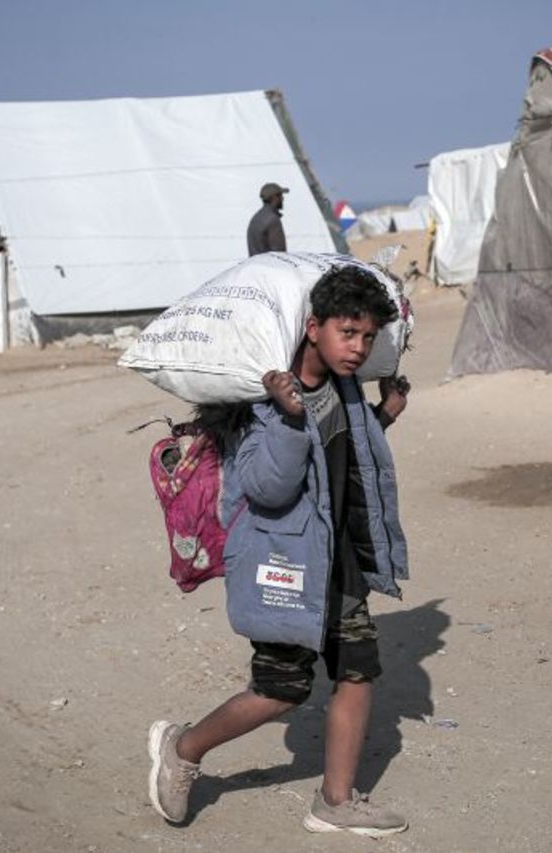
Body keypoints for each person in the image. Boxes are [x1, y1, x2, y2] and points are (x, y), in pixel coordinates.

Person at [148, 265, 412, 837]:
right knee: (282, 688)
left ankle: (335, 801)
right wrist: (291, 419)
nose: (358, 348)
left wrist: (383, 416)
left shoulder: (345, 388)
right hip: (283, 561)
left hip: (338, 561)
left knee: (358, 670)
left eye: (367, 337)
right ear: (312, 327)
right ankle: (184, 748)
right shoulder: (261, 403)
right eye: (348, 333)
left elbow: (341, 458)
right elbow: (269, 488)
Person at [247, 182, 289, 256]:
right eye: (280, 195)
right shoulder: (273, 220)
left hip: (256, 265)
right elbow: (280, 254)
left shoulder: (256, 218)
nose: (283, 198)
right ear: (275, 198)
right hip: (271, 266)